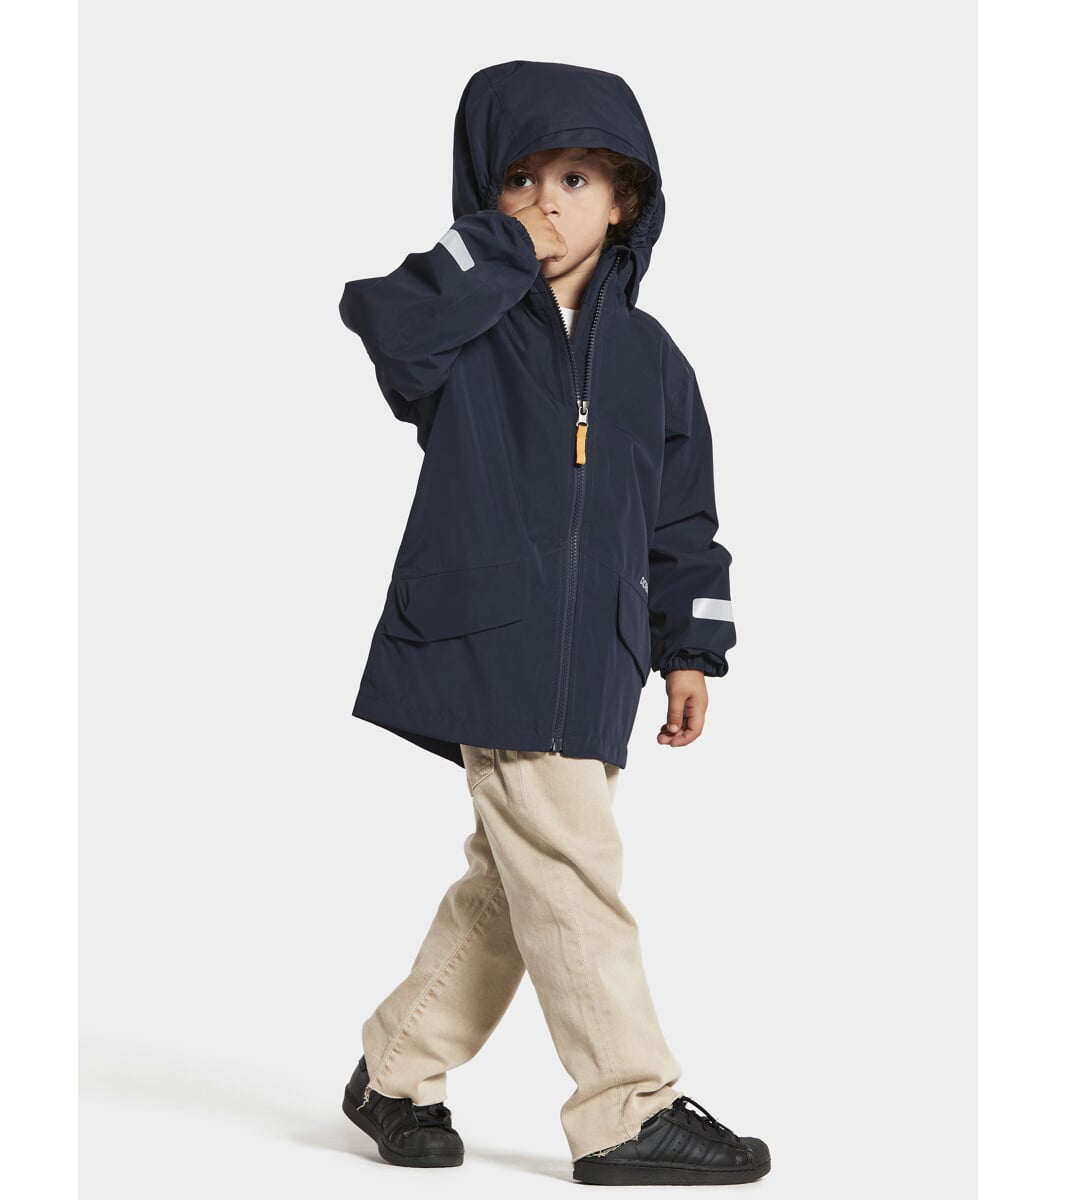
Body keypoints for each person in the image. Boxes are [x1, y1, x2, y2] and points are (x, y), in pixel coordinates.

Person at [337, 60, 771, 1186]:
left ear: (625, 200)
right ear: (486, 202)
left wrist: (691, 651)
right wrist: (489, 252)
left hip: (598, 661)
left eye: (575, 180)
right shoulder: (465, 331)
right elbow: (385, 322)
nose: (545, 202)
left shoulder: (656, 362)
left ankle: (394, 1069)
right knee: (572, 871)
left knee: (517, 881)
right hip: (491, 638)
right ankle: (627, 1109)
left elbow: (684, 519)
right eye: (519, 181)